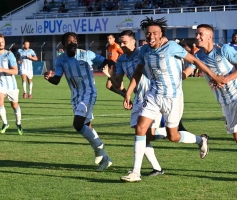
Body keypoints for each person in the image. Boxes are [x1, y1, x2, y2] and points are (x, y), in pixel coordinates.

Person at [120, 17, 226, 182]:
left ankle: (201, 139)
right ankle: (135, 172)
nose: (151, 36)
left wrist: (214, 76)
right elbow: (138, 71)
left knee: (173, 136)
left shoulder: (172, 47)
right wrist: (128, 92)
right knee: (140, 129)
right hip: (153, 95)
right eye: (148, 33)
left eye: (155, 33)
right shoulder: (144, 51)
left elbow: (195, 60)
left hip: (173, 98)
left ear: (161, 33)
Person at [189, 24, 237, 180]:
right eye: (196, 34)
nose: (197, 37)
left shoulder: (224, 50)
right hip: (224, 101)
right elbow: (187, 71)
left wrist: (225, 79)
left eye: (200, 34)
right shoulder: (198, 57)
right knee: (236, 135)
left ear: (210, 36)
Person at [44, 32, 114, 171]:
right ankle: (105, 158)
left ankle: (99, 149)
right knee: (87, 125)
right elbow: (57, 80)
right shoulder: (61, 60)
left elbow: (106, 62)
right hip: (76, 96)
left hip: (89, 92)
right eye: (69, 41)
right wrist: (49, 78)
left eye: (74, 41)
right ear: (63, 44)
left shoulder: (87, 54)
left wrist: (115, 70)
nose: (72, 43)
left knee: (77, 124)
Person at [103, 30, 168, 177]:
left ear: (134, 42)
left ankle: (173, 134)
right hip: (139, 98)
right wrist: (111, 76)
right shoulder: (121, 60)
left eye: (125, 42)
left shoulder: (142, 53)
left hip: (152, 96)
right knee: (140, 133)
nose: (122, 45)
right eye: (121, 42)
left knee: (145, 134)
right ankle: (156, 168)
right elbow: (117, 83)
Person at [0, 33, 23, 135]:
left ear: (4, 42)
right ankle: (5, 123)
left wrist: (3, 70)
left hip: (11, 85)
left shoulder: (9, 55)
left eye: (2, 42)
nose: (1, 44)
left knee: (14, 105)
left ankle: (18, 123)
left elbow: (15, 71)